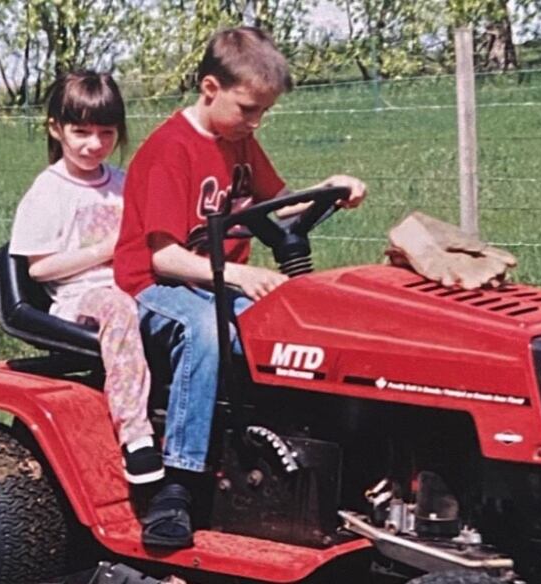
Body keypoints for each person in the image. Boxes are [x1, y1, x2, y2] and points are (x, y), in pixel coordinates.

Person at [114, 27, 367, 548]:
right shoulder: (170, 150)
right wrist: (243, 275)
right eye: (248, 109)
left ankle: (311, 464)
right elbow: (162, 256)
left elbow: (279, 206)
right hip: (155, 288)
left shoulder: (241, 142)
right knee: (210, 332)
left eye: (263, 114)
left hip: (217, 286)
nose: (256, 123)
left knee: (306, 328)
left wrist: (332, 189)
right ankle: (176, 487)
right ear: (211, 87)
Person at [9, 70, 164, 486]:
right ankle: (137, 436)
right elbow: (38, 268)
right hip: (82, 298)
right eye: (81, 131)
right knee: (118, 307)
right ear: (56, 128)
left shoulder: (122, 183)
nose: (94, 144)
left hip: (133, 283)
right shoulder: (49, 192)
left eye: (106, 133)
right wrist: (103, 251)